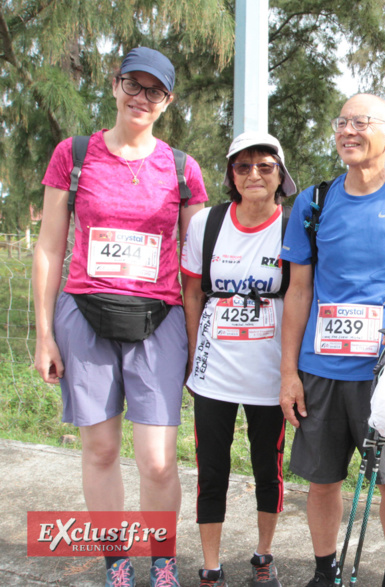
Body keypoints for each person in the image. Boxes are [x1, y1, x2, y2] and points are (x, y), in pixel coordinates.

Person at [33, 47, 208, 587]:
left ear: (167, 102)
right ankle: (117, 565)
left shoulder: (183, 169)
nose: (141, 97)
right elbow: (48, 248)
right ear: (115, 86)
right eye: (133, 84)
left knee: (157, 460)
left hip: (159, 321)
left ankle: (161, 561)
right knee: (102, 449)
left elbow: (196, 264)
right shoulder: (74, 154)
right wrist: (44, 333)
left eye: (154, 90)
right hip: (83, 314)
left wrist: (197, 339)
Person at [279, 93, 385, 587]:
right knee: (323, 481)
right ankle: (323, 570)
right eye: (342, 122)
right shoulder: (313, 202)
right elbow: (298, 291)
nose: (349, 131)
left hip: (383, 371)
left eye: (362, 122)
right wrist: (289, 372)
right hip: (321, 370)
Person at [182, 132, 297, 587]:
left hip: (270, 373)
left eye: (265, 166)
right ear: (231, 174)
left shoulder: (291, 228)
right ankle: (210, 564)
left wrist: (294, 370)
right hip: (215, 372)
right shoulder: (206, 224)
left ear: (279, 176)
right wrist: (194, 355)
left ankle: (263, 555)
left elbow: (302, 294)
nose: (254, 174)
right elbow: (192, 291)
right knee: (212, 469)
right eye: (243, 166)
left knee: (268, 468)